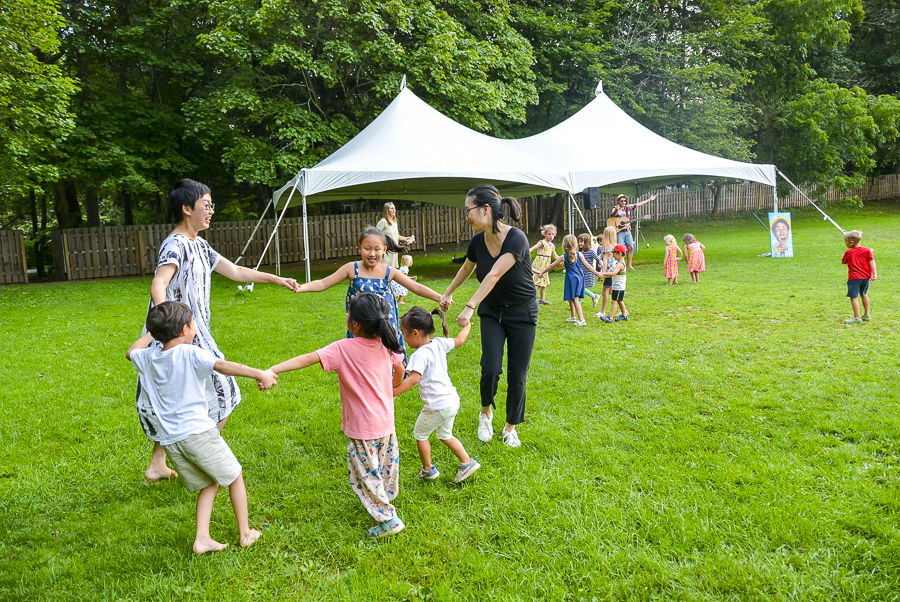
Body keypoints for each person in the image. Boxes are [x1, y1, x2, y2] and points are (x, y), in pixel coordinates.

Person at [138, 179, 300, 483]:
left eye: (212, 205)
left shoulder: (200, 244)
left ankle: (158, 465)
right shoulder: (176, 244)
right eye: (206, 205)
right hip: (179, 333)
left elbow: (235, 271)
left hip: (190, 331)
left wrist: (276, 279)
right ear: (187, 209)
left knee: (178, 397)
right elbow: (159, 283)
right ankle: (205, 457)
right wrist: (168, 326)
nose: (212, 210)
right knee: (226, 390)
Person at [127, 301, 275, 554]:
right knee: (235, 475)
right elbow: (222, 366)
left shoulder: (150, 357)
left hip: (171, 439)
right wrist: (260, 373)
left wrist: (152, 333)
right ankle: (246, 533)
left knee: (209, 482)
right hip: (198, 433)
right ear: (185, 330)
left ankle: (202, 539)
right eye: (193, 322)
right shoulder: (190, 353)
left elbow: (131, 351)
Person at [268, 293, 407, 538]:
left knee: (364, 473)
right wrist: (392, 388)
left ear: (355, 324)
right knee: (383, 465)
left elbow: (308, 359)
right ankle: (385, 497)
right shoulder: (386, 343)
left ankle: (389, 519)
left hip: (362, 427)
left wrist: (272, 369)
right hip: (386, 422)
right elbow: (400, 369)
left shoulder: (343, 348)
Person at [438, 185, 536, 448]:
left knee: (518, 374)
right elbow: (467, 268)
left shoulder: (517, 238)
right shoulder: (477, 241)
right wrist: (448, 292)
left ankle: (510, 427)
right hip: (493, 312)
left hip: (522, 311)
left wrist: (470, 306)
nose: (466, 216)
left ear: (485, 209)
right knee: (490, 368)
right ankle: (486, 413)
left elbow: (494, 274)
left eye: (468, 210)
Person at [295, 227, 442, 357]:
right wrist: (300, 287)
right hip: (361, 328)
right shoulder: (352, 268)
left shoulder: (389, 271)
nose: (372, 253)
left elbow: (416, 287)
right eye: (367, 248)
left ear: (384, 250)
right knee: (362, 363)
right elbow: (323, 283)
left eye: (377, 249)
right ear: (359, 248)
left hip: (385, 329)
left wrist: (440, 297)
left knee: (387, 364)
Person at [394, 307, 481, 483]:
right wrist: (468, 325)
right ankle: (467, 462)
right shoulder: (440, 343)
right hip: (452, 401)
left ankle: (428, 470)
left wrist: (391, 393)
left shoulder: (419, 355)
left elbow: (413, 380)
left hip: (437, 406)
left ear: (415, 333)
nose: (404, 338)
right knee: (445, 435)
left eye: (404, 333)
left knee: (420, 435)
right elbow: (460, 340)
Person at [538, 234, 587, 326]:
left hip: (572, 279)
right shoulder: (579, 254)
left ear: (564, 245)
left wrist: (542, 272)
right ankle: (573, 316)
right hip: (579, 278)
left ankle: (582, 320)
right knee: (571, 297)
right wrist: (597, 273)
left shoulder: (563, 257)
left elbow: (551, 266)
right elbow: (587, 265)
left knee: (575, 299)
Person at [610, 193, 656, 270]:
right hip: (619, 231)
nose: (623, 202)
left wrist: (650, 199)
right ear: (618, 201)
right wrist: (617, 210)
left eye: (625, 200)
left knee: (631, 247)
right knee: (620, 249)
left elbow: (639, 204)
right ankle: (620, 264)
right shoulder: (615, 208)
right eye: (622, 201)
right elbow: (612, 216)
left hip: (628, 230)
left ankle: (630, 265)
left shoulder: (628, 207)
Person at [841, 230, 878, 324]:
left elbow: (844, 261)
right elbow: (872, 261)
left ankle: (857, 318)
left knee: (854, 297)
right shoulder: (867, 250)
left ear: (851, 243)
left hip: (854, 279)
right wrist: (874, 273)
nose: (845, 244)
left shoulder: (848, 252)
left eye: (845, 242)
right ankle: (867, 314)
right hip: (866, 278)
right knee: (864, 294)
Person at [375, 202, 415, 269]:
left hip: (394, 250)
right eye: (392, 208)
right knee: (385, 269)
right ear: (387, 210)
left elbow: (395, 235)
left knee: (393, 269)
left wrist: (405, 238)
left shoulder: (394, 222)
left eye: (394, 208)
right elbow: (375, 234)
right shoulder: (383, 221)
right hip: (386, 251)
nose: (394, 210)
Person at [529, 224, 559, 305]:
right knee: (538, 283)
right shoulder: (542, 243)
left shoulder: (552, 245)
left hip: (546, 266)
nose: (551, 236)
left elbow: (555, 255)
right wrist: (524, 253)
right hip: (539, 265)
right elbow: (532, 248)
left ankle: (542, 300)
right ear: (545, 234)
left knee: (544, 283)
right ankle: (528, 296)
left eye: (552, 234)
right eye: (549, 234)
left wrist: (560, 261)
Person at [598, 244, 629, 322]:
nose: (613, 255)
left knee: (614, 301)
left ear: (619, 254)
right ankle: (625, 315)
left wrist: (603, 274)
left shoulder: (621, 264)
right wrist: (603, 275)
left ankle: (610, 318)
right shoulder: (617, 263)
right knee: (619, 300)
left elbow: (613, 273)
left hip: (619, 286)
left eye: (614, 253)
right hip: (617, 286)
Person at [594, 226, 618, 319]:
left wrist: (602, 273)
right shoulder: (615, 246)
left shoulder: (607, 248)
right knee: (612, 292)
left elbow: (605, 261)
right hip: (615, 272)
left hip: (608, 273)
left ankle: (602, 311)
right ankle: (623, 310)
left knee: (604, 291)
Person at [578, 233, 601, 308]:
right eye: (579, 242)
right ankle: (578, 304)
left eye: (581, 242)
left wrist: (601, 264)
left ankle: (594, 296)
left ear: (587, 242)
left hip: (588, 273)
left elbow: (598, 259)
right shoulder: (579, 252)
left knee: (581, 288)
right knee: (581, 288)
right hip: (581, 273)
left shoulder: (591, 252)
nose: (579, 243)